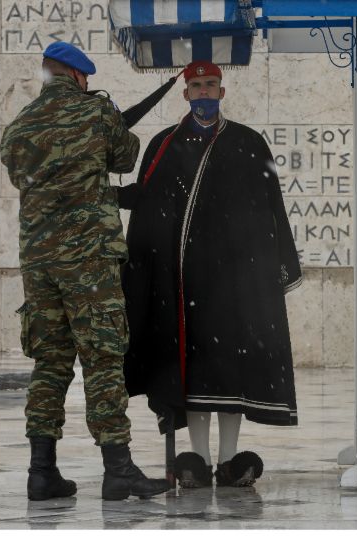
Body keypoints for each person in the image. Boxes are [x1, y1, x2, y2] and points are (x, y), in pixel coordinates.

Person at [0, 41, 172, 501]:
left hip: (39, 261)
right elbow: (126, 156)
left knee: (50, 362)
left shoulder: (20, 125)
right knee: (102, 359)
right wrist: (110, 117)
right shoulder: (96, 113)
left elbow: (22, 176)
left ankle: (42, 472)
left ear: (47, 73)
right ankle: (118, 469)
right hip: (88, 259)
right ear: (78, 76)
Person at [120, 60, 302, 488]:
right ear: (185, 93)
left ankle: (229, 458)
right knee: (192, 373)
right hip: (183, 282)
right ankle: (197, 459)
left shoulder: (248, 142)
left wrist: (273, 265)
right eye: (197, 86)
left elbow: (270, 209)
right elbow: (149, 207)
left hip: (235, 281)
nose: (204, 92)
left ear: (222, 91)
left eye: (211, 85)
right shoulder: (165, 144)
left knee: (230, 371)